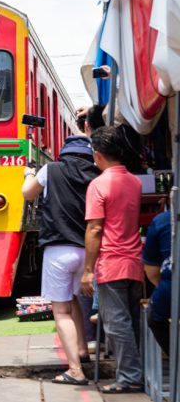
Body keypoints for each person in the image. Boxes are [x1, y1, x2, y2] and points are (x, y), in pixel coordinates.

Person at [22, 135, 100, 385]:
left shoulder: (51, 169)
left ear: (64, 152)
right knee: (76, 300)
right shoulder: (96, 175)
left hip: (58, 250)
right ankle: (80, 350)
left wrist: (27, 174)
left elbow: (27, 194)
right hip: (85, 251)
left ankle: (75, 370)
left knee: (62, 311)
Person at [80, 126, 143, 394]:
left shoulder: (98, 185)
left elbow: (95, 228)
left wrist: (87, 271)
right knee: (131, 322)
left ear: (97, 155)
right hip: (134, 261)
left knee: (117, 325)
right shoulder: (135, 182)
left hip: (112, 263)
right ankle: (134, 372)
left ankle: (129, 377)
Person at [143, 209, 172, 355]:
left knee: (154, 317)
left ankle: (176, 357)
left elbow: (152, 272)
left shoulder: (162, 221)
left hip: (171, 288)